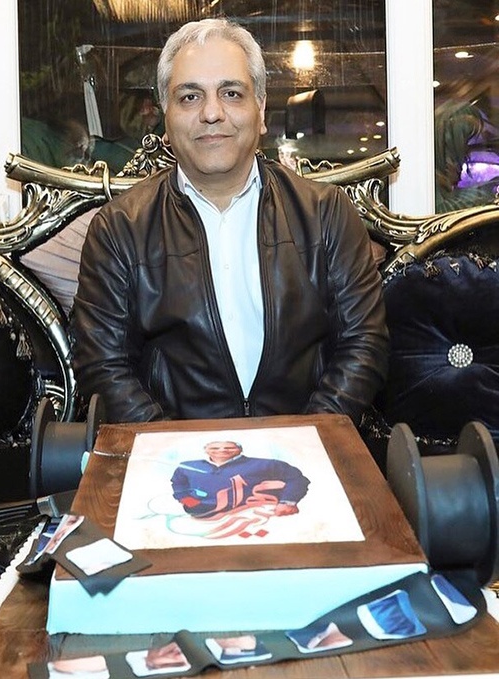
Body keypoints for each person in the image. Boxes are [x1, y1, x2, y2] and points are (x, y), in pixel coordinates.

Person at [72, 18, 388, 426]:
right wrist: (175, 451)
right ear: (166, 117)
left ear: (261, 110)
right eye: (189, 97)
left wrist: (307, 439)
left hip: (307, 443)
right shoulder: (119, 229)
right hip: (168, 451)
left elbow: (364, 344)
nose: (211, 113)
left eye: (231, 93)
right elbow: (102, 364)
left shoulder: (326, 213)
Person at [170, 440, 310, 517]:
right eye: (215, 448)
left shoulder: (265, 464)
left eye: (229, 447)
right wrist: (189, 502)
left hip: (251, 517)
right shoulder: (187, 466)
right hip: (200, 517)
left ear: (240, 449)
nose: (222, 450)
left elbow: (297, 479)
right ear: (206, 450)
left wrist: (287, 502)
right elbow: (178, 484)